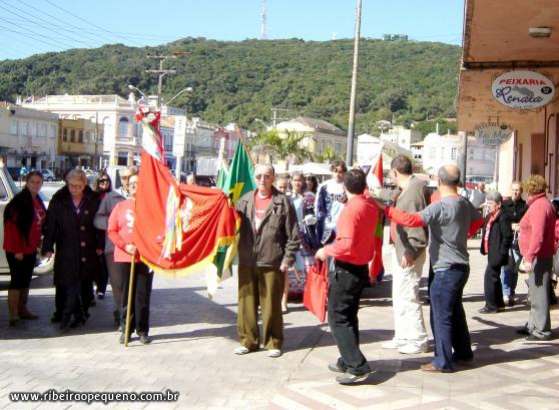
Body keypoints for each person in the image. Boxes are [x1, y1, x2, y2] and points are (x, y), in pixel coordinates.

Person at [383, 165, 483, 372]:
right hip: (462, 266)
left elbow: (412, 220)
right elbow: (478, 221)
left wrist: (388, 210)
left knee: (441, 316)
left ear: (439, 181)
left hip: (445, 268)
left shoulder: (440, 206)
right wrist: (461, 234)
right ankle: (464, 353)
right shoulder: (464, 203)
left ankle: (442, 361)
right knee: (456, 312)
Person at [315, 168, 379, 385]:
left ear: (345, 186)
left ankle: (356, 365)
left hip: (347, 269)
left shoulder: (351, 209)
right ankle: (348, 358)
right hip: (360, 267)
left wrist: (325, 251)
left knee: (338, 317)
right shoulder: (369, 205)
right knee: (349, 316)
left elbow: (345, 244)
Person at [234, 164, 300, 358]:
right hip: (247, 260)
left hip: (272, 261)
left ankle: (273, 342)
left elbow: (293, 234)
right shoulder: (244, 200)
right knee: (246, 304)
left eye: (267, 176)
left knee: (271, 305)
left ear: (273, 178)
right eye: (259, 176)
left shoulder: (283, 202)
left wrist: (287, 258)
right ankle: (248, 341)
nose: (262, 180)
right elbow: (232, 225)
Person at [42, 169, 104, 331]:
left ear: (84, 185)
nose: (75, 189)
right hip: (66, 247)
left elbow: (100, 225)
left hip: (87, 248)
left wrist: (100, 245)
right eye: (71, 185)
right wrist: (48, 246)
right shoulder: (59, 199)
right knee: (68, 283)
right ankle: (65, 315)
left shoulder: (93, 199)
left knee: (84, 282)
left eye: (78, 186)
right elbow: (51, 224)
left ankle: (80, 314)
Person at [382, 155, 429, 354]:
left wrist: (411, 250)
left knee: (408, 295)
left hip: (409, 252)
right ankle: (402, 336)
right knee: (400, 295)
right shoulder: (410, 188)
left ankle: (417, 339)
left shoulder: (412, 192)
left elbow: (415, 225)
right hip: (402, 249)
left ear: (395, 172)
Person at [108, 174, 154, 345]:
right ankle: (126, 329)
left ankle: (142, 330)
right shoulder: (120, 206)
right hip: (125, 257)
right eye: (132, 183)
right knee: (126, 295)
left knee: (142, 295)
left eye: (138, 183)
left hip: (145, 258)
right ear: (127, 187)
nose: (135, 185)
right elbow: (112, 230)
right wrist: (125, 246)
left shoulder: (150, 208)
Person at [3, 171, 46, 327]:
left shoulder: (37, 200)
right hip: (17, 249)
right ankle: (13, 314)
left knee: (26, 280)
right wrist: (18, 250)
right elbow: (11, 228)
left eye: (38, 182)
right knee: (16, 280)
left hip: (30, 248)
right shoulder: (19, 202)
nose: (36, 185)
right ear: (27, 183)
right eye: (32, 182)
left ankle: (22, 309)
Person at [517, 175, 556, 341]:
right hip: (541, 255)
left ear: (531, 189)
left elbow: (538, 235)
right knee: (534, 293)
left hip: (538, 257)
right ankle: (533, 325)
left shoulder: (539, 206)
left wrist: (529, 257)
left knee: (539, 294)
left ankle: (541, 330)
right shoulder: (542, 203)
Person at [94, 173, 125, 328]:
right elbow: (97, 219)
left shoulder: (137, 197)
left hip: (134, 248)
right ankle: (121, 315)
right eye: (125, 178)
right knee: (117, 283)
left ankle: (128, 316)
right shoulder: (109, 198)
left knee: (128, 285)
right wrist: (114, 223)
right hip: (112, 246)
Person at [479, 191, 512, 314]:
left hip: (497, 253)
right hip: (491, 251)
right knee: (495, 278)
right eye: (487, 203)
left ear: (498, 204)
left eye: (490, 203)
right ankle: (499, 304)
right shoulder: (490, 216)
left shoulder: (503, 217)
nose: (488, 205)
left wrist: (502, 252)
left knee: (489, 278)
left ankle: (491, 306)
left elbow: (507, 236)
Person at [501, 181, 527, 306]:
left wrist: (520, 226)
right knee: (506, 266)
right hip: (507, 239)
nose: (515, 192)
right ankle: (505, 292)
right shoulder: (505, 204)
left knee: (515, 268)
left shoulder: (524, 205)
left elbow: (526, 220)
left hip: (519, 241)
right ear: (510, 190)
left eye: (518, 190)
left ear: (521, 191)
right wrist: (510, 225)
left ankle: (511, 291)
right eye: (514, 190)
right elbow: (501, 220)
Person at [315, 160, 347, 245]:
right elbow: (318, 207)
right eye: (335, 171)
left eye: (340, 172)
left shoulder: (348, 187)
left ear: (344, 173)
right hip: (327, 226)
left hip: (343, 226)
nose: (337, 174)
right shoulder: (324, 187)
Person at [92, 173, 113, 300]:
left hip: (108, 234)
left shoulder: (112, 196)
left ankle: (101, 289)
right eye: (102, 181)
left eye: (107, 180)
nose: (105, 183)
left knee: (104, 264)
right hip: (95, 233)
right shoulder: (93, 197)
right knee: (94, 263)